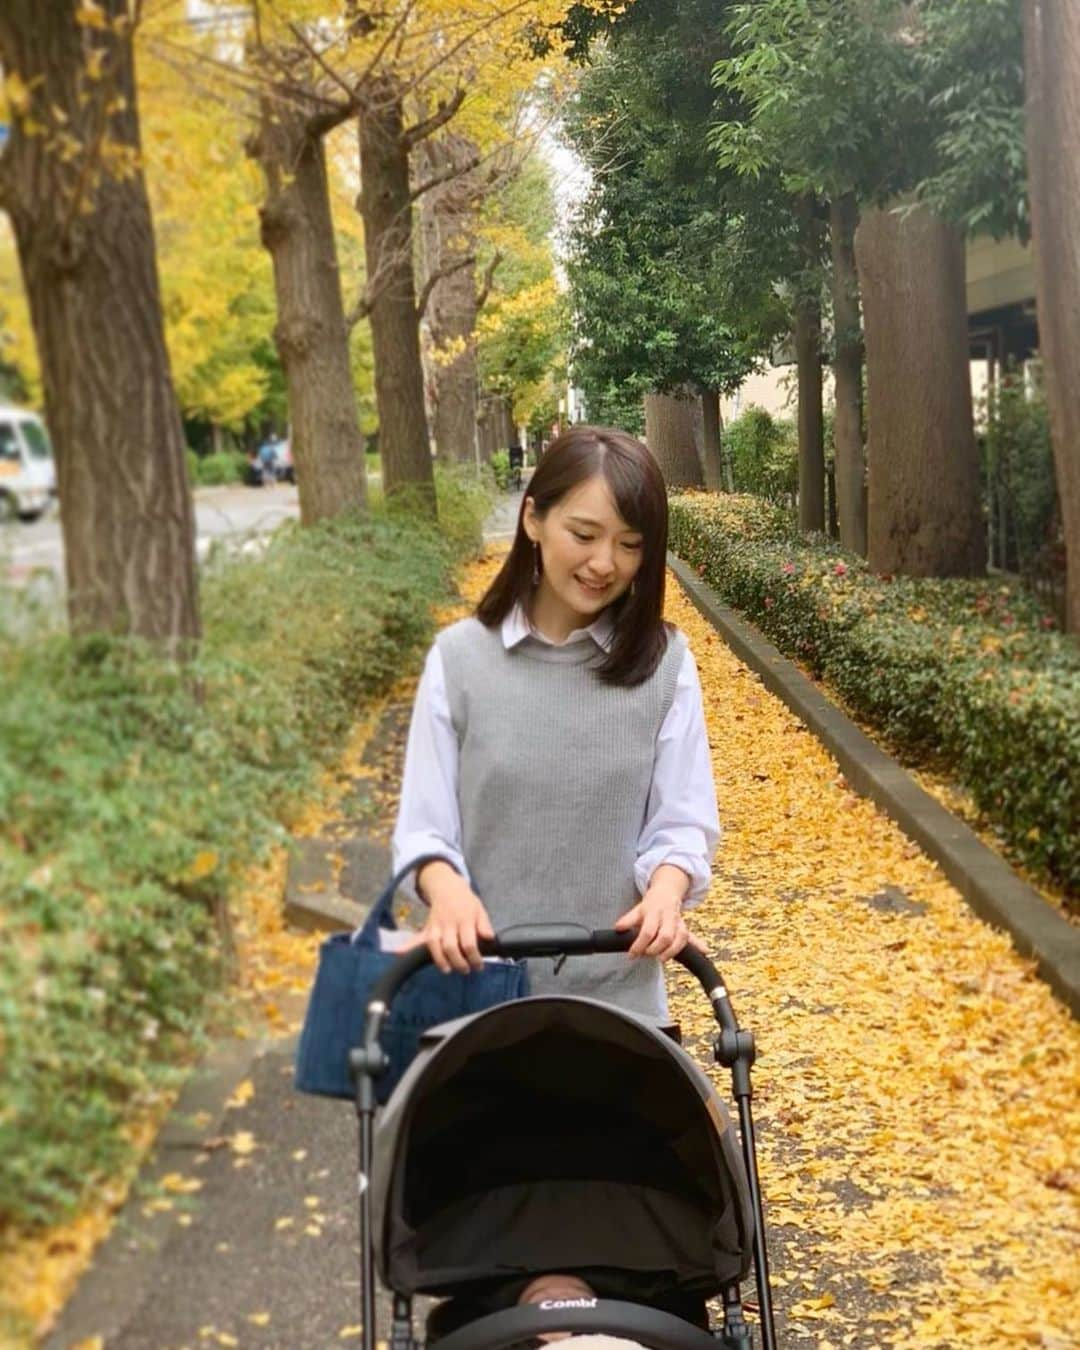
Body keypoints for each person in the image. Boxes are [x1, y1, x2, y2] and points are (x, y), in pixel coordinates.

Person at [391, 425, 720, 1022]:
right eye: (584, 534)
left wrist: (668, 893)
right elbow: (424, 831)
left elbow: (681, 824)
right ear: (533, 520)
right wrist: (447, 892)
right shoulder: (460, 660)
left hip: (622, 1015)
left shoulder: (665, 666)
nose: (604, 563)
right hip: (477, 1003)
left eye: (629, 544)